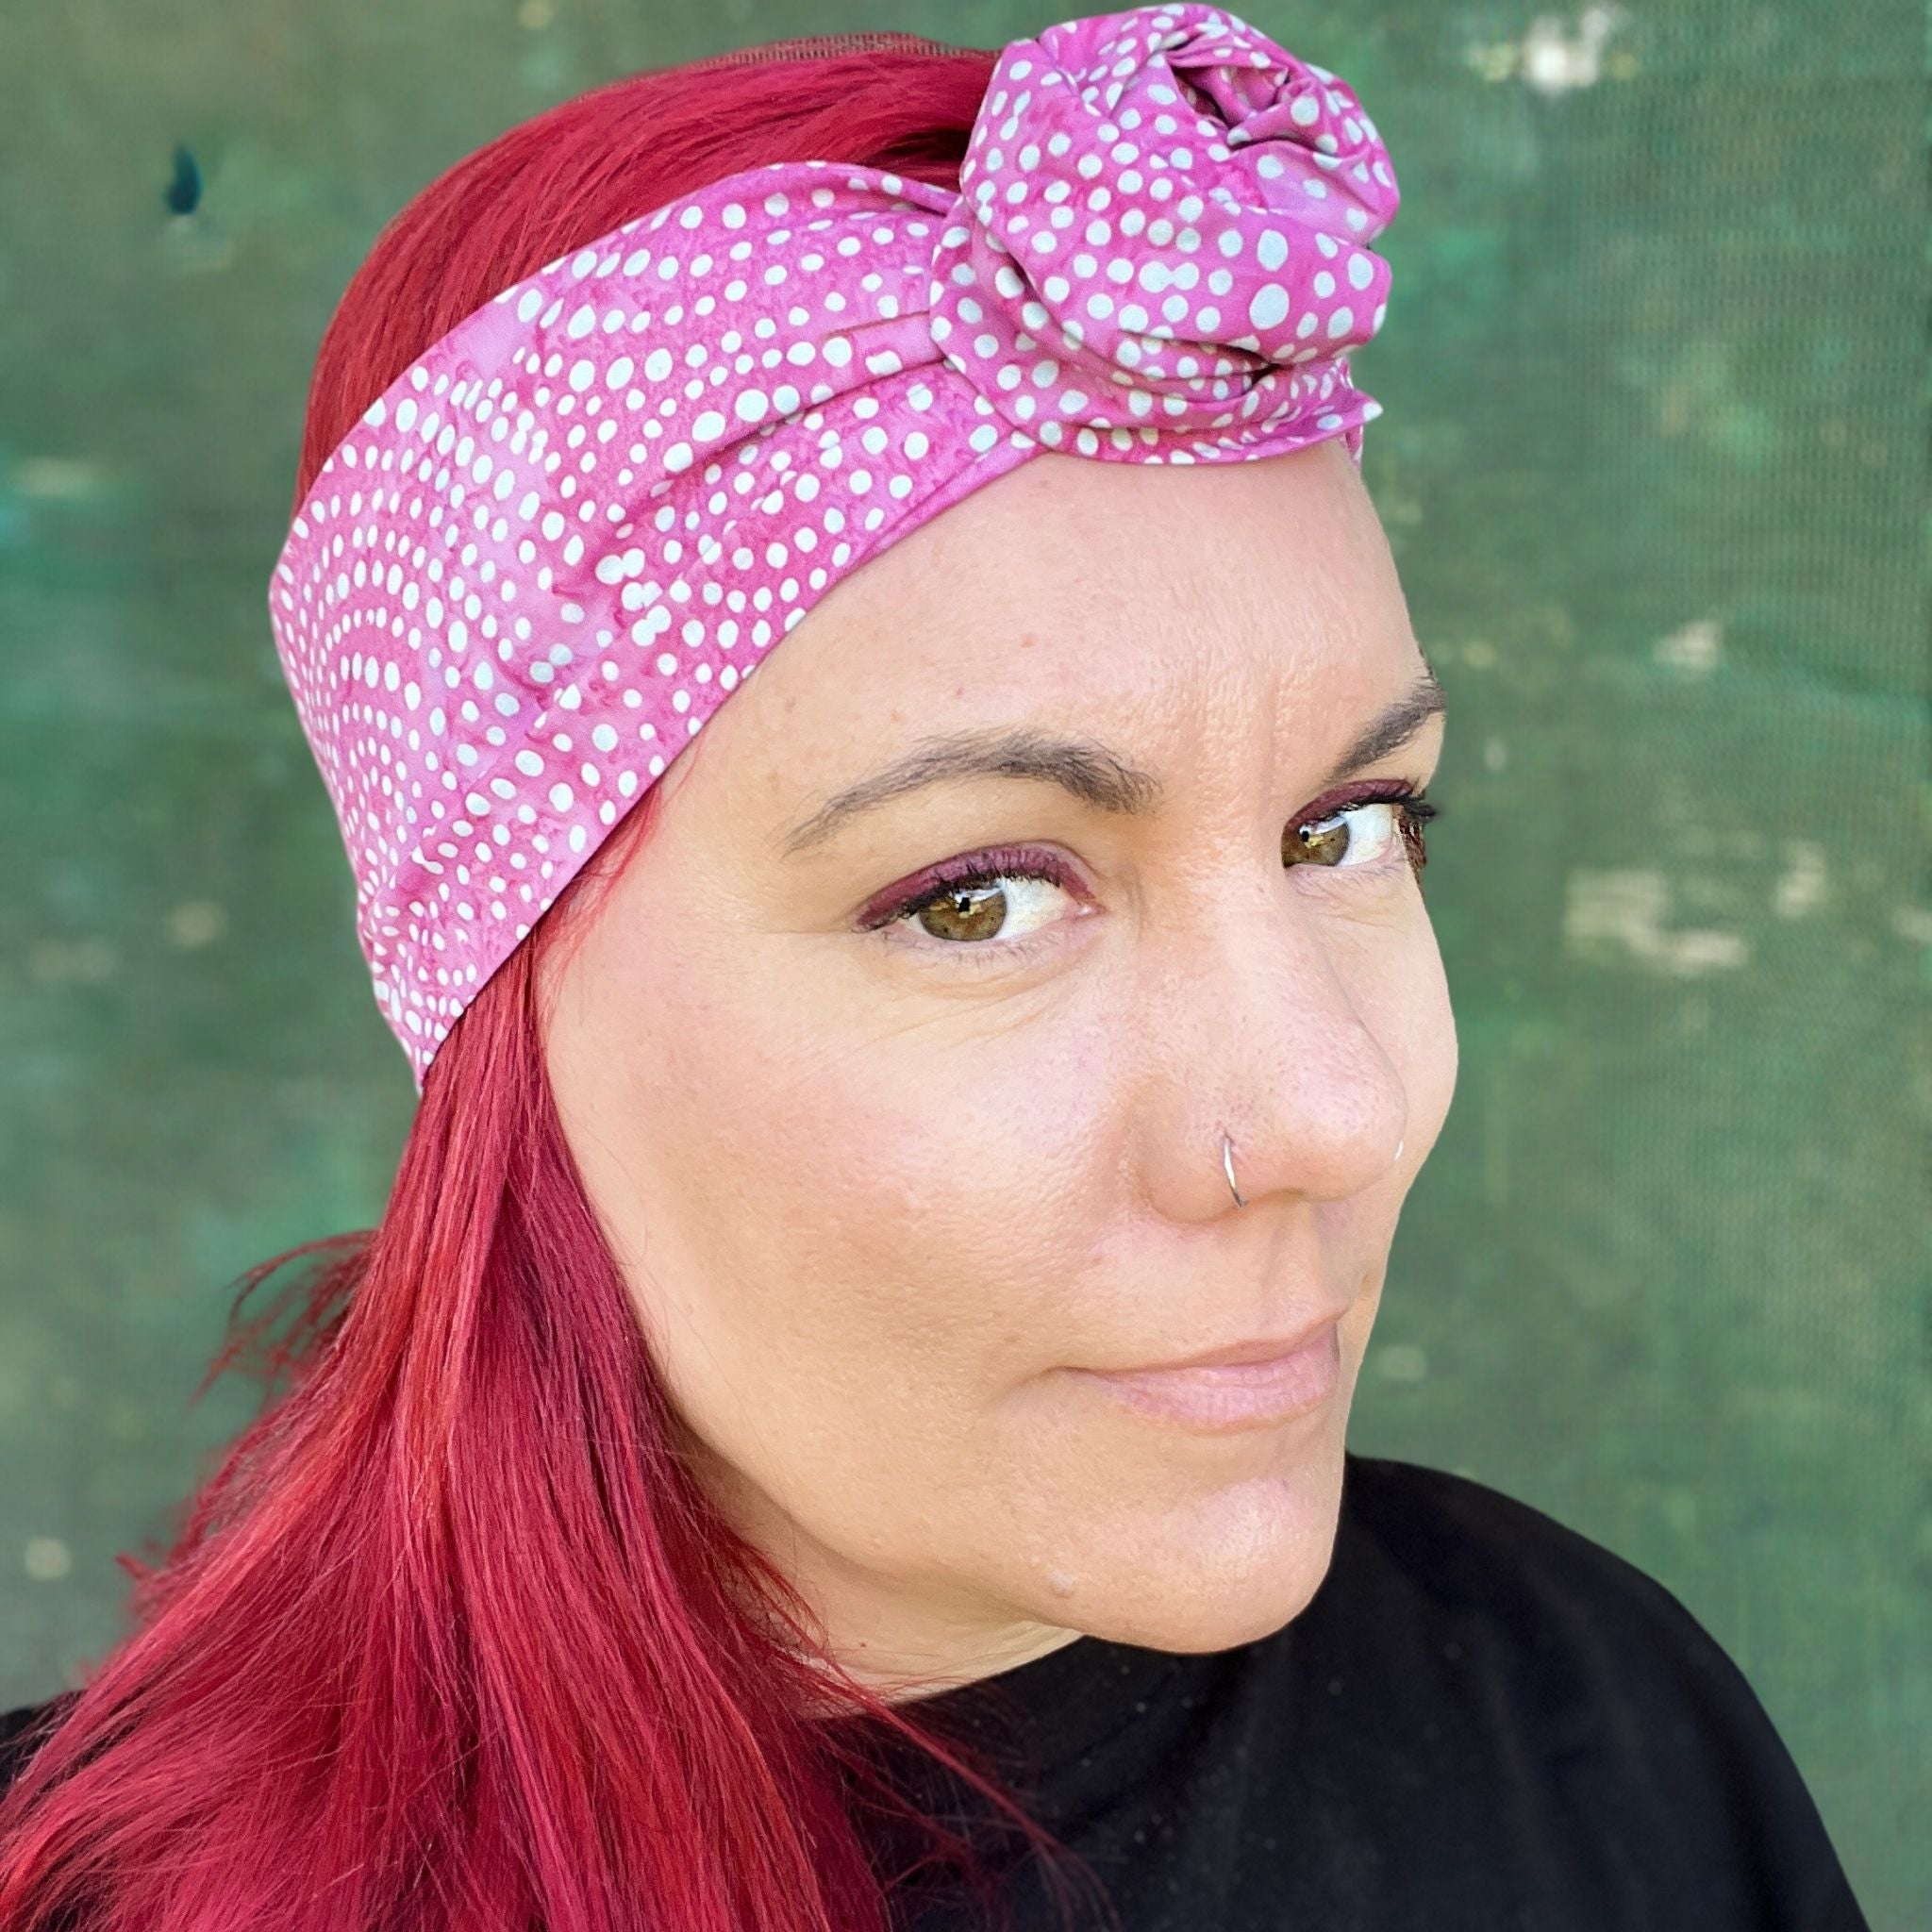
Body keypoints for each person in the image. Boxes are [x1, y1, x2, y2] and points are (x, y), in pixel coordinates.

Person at [0, 8, 1872, 1930]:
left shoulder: (1597, 1737)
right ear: (503, 1019)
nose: (1336, 1113)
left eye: (1347, 830)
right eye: (977, 899)